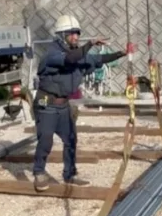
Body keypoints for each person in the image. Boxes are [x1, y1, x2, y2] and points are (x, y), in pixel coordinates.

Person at [33, 14, 126, 192]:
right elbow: (69, 60)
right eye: (72, 33)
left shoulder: (77, 53)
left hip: (63, 106)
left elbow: (98, 60)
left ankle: (69, 174)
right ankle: (39, 172)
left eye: (77, 33)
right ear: (61, 35)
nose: (76, 36)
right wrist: (89, 44)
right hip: (47, 104)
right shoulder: (52, 54)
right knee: (45, 139)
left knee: (71, 140)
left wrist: (122, 53)